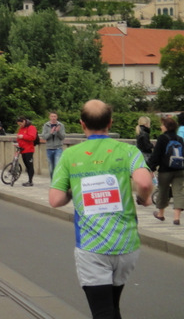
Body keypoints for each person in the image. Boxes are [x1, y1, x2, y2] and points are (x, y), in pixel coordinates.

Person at [49, 100, 153, 319]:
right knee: (112, 307)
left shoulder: (70, 155)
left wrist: (74, 191)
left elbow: (55, 199)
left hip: (92, 246)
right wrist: (145, 199)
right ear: (110, 122)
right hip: (126, 245)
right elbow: (144, 183)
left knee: (102, 312)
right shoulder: (128, 151)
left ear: (82, 124)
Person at [147, 115, 184, 225]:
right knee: (179, 192)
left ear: (166, 127)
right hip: (180, 170)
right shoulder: (180, 139)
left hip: (165, 170)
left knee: (163, 191)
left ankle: (161, 214)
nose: (160, 126)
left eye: (162, 125)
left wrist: (151, 168)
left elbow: (156, 155)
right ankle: (176, 218)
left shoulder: (162, 138)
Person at [41, 112, 66, 180]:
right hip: (49, 148)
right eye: (52, 116)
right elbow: (44, 137)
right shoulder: (46, 125)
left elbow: (63, 137)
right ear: (49, 117)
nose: (53, 118)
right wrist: (50, 133)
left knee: (57, 166)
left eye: (55, 116)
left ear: (57, 117)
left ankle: (57, 182)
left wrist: (58, 132)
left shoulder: (61, 125)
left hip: (58, 148)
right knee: (51, 168)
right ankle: (53, 182)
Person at [15, 116, 37, 187]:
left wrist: (23, 136)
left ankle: (30, 181)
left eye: (20, 124)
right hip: (22, 149)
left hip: (29, 150)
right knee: (27, 166)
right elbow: (19, 137)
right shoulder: (21, 128)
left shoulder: (31, 127)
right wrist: (18, 142)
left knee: (30, 165)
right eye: (19, 124)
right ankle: (29, 180)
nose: (20, 126)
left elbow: (32, 137)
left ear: (24, 121)